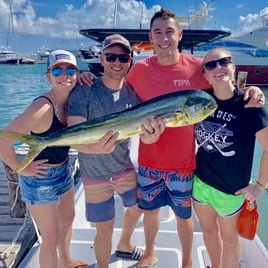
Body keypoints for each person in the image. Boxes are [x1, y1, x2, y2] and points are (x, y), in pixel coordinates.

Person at [78, 8, 265, 268]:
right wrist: (86, 77)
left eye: (169, 31)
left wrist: (251, 90)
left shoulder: (198, 68)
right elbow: (114, 83)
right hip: (148, 160)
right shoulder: (139, 70)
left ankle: (187, 262)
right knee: (150, 213)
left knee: (183, 217)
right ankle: (149, 253)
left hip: (184, 162)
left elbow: (223, 81)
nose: (163, 37)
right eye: (158, 32)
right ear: (150, 38)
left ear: (179, 35)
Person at [67, 34, 164, 268]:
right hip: (94, 174)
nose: (117, 62)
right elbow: (72, 136)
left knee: (139, 207)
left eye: (122, 57)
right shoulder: (84, 90)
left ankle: (124, 244)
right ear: (102, 59)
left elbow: (142, 135)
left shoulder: (134, 96)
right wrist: (95, 148)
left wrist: (152, 137)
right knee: (105, 227)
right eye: (111, 56)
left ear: (130, 60)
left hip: (123, 168)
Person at [0, 50, 87, 268]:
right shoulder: (43, 108)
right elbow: (3, 139)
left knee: (68, 220)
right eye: (57, 70)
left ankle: (66, 261)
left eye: (70, 70)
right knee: (51, 238)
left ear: (77, 74)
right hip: (40, 180)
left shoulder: (74, 98)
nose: (64, 75)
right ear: (48, 75)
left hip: (64, 171)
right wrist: (21, 168)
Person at [192, 47, 268, 268]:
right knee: (208, 231)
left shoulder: (249, 106)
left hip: (231, 191)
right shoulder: (201, 102)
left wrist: (260, 186)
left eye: (224, 62)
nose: (219, 67)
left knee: (230, 240)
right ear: (205, 75)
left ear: (233, 67)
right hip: (201, 183)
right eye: (211, 65)